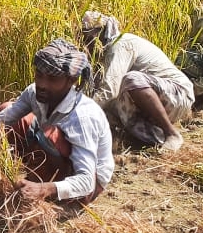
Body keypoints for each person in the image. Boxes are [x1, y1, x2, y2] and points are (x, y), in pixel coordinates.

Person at [0, 38, 114, 205]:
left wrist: (43, 189)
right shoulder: (34, 92)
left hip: (88, 183)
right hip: (51, 150)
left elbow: (86, 182)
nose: (42, 84)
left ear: (71, 80)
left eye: (52, 79)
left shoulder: (83, 117)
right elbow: (2, 120)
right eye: (39, 75)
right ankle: (33, 175)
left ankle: (43, 184)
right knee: (6, 108)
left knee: (50, 135)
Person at [81, 11, 194, 152]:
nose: (86, 44)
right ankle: (150, 136)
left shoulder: (120, 45)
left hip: (177, 94)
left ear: (100, 33)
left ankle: (171, 134)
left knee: (131, 79)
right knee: (106, 105)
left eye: (88, 37)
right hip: (162, 101)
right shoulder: (105, 55)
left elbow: (110, 89)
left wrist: (81, 113)